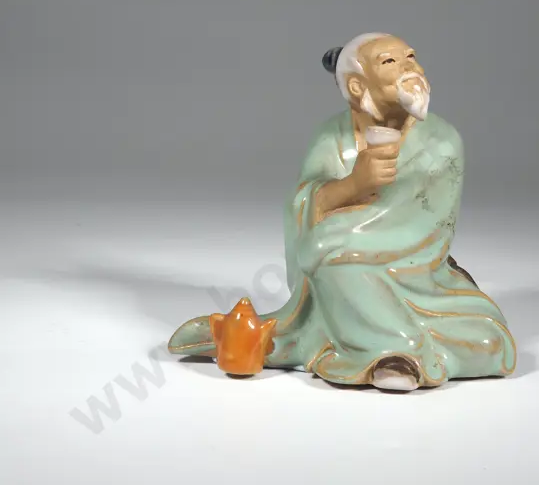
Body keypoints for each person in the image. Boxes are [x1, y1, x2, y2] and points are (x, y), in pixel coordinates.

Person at [168, 33, 516, 391]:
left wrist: (345, 239)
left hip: (417, 274)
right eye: (390, 61)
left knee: (486, 342)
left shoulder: (442, 141)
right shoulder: (331, 138)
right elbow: (303, 204)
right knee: (329, 256)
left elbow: (433, 228)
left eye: (411, 56)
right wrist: (353, 184)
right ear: (356, 86)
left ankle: (379, 347)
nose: (409, 67)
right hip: (341, 269)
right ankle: (398, 356)